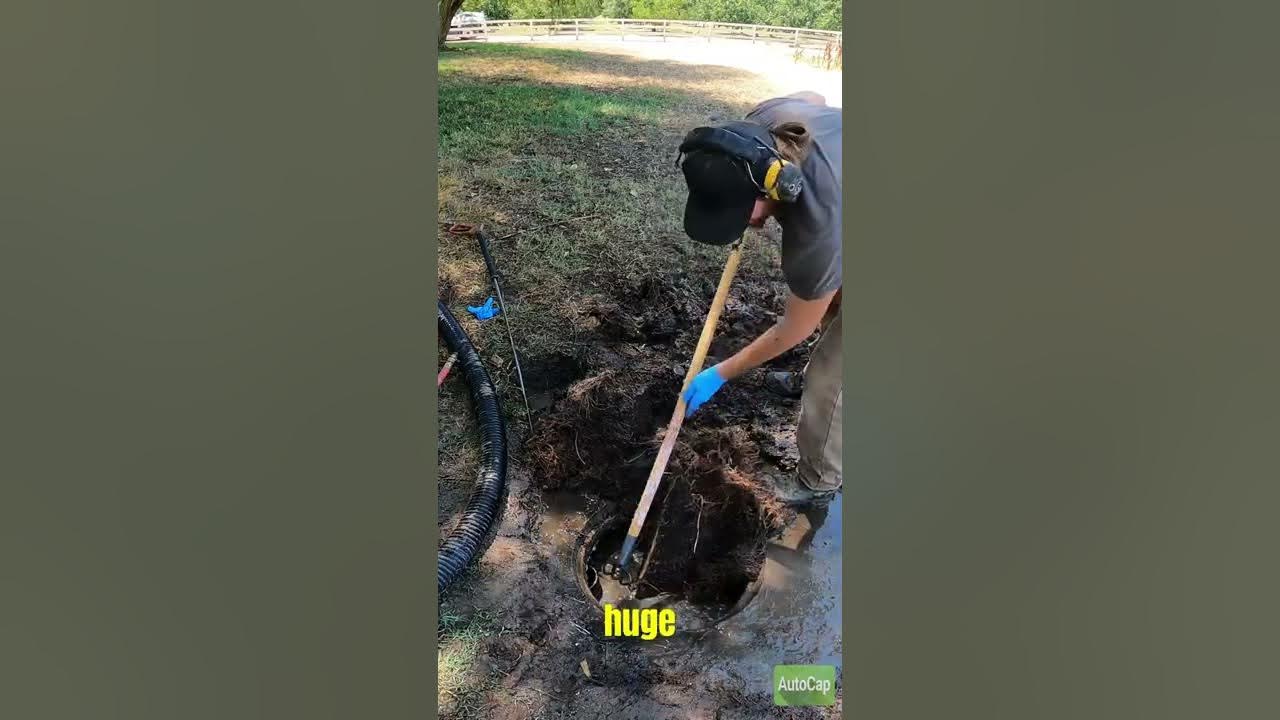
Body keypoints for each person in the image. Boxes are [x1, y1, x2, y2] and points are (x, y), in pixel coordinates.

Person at [676, 91, 842, 507]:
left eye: (740, 213)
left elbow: (794, 328)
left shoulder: (818, 226)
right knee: (830, 297)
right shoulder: (764, 126)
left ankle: (818, 480)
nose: (744, 226)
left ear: (777, 186)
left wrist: (720, 374)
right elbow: (813, 97)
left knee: (835, 374)